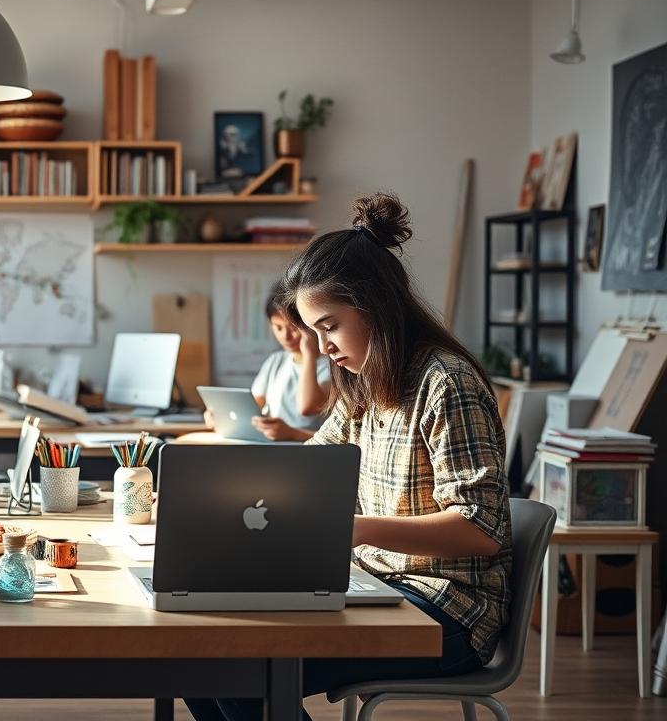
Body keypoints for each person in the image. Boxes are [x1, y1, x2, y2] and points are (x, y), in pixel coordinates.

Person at [186, 194, 512, 721]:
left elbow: (480, 527)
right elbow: (307, 468)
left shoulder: (447, 383)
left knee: (239, 668)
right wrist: (213, 495)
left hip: (448, 609)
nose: (323, 346)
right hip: (375, 585)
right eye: (314, 331)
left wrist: (354, 528)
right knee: (200, 660)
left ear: (375, 305)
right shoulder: (362, 388)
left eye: (329, 326)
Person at [205, 287, 331, 442]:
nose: (285, 336)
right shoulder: (276, 361)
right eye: (278, 327)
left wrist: (309, 355)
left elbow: (306, 407)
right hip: (274, 446)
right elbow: (251, 408)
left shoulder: (331, 366)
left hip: (310, 449)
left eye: (293, 328)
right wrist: (221, 416)